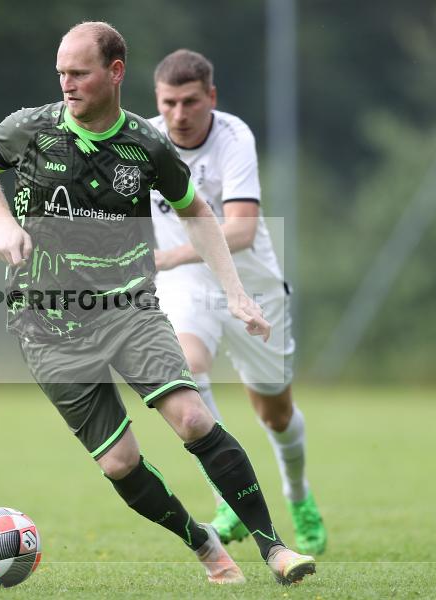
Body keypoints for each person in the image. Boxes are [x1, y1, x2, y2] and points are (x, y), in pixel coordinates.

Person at [0, 22, 315, 585]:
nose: (67, 84)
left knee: (193, 417)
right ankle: (201, 541)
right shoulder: (30, 127)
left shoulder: (147, 145)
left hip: (128, 309)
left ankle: (274, 549)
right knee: (119, 461)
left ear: (115, 72)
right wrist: (3, 224)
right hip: (46, 324)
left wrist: (236, 294)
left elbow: (197, 212)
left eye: (79, 73)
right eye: (61, 73)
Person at [149, 49, 327, 554]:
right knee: (186, 369)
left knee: (275, 412)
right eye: (168, 103)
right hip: (187, 286)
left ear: (211, 96)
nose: (178, 115)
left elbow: (242, 230)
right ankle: (228, 494)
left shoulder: (233, 137)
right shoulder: (143, 139)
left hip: (252, 286)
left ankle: (298, 494)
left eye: (189, 102)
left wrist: (167, 255)